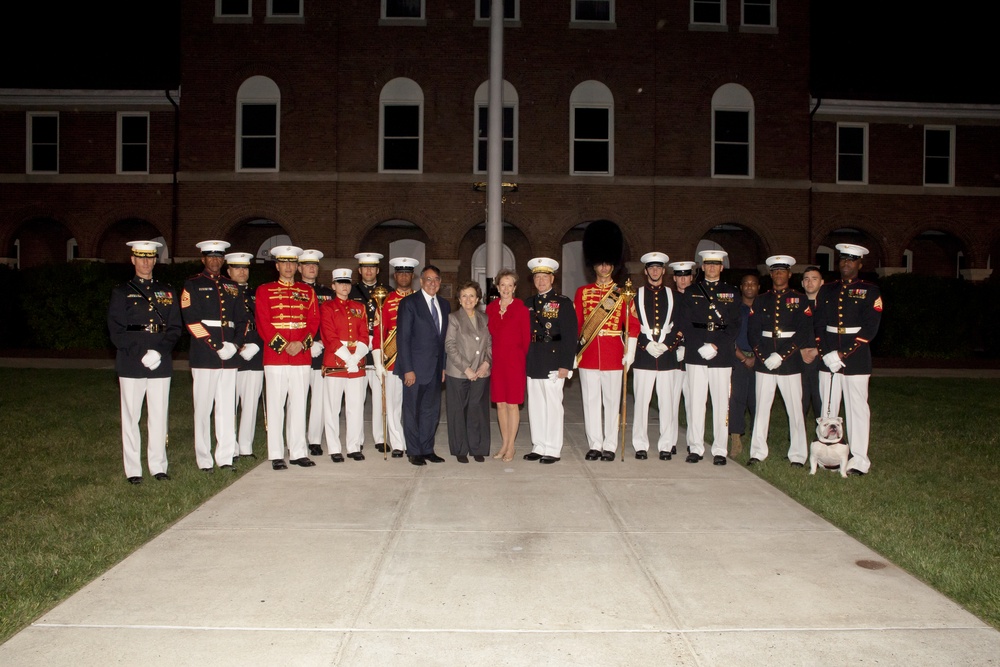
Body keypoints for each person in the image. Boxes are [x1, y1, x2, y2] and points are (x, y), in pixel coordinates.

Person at [108, 240, 183, 484]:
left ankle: (158, 466)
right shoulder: (121, 291)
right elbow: (116, 330)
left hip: (160, 362)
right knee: (131, 417)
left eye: (150, 258)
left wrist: (159, 352)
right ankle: (133, 470)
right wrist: (141, 353)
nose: (146, 262)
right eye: (141, 257)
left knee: (159, 416)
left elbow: (174, 328)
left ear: (155, 260)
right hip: (132, 361)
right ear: (133, 260)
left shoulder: (167, 291)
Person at [814, 243, 882, 475]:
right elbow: (819, 324)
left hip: (856, 359)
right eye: (843, 259)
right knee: (829, 408)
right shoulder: (828, 289)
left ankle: (859, 460)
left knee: (857, 410)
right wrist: (826, 352)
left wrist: (844, 353)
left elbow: (871, 328)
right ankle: (830, 457)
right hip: (829, 357)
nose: (846, 263)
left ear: (860, 264)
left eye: (851, 260)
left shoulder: (870, 291)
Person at [181, 240, 246, 473]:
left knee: (227, 408)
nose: (215, 261)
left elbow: (242, 320)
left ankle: (226, 456)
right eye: (211, 257)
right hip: (205, 355)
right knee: (203, 408)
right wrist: (216, 345)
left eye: (219, 257)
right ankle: (204, 459)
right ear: (203, 259)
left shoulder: (232, 286)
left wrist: (235, 345)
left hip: (229, 355)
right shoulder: (193, 284)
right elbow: (191, 320)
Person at [575, 233, 639, 463]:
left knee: (612, 402)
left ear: (614, 265)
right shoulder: (583, 292)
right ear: (594, 265)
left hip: (613, 354)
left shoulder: (623, 294)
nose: (604, 266)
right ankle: (595, 444)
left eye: (608, 262)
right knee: (590, 401)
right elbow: (578, 325)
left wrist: (629, 352)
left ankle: (610, 445)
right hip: (589, 354)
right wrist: (575, 353)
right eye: (600, 262)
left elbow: (633, 326)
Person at [256, 245, 320, 470]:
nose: (289, 267)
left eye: (292, 263)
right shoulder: (264, 290)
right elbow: (263, 323)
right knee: (275, 405)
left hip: (301, 356)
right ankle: (275, 453)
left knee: (299, 404)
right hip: (276, 356)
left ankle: (298, 452)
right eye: (284, 263)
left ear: (297, 266)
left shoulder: (307, 291)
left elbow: (314, 321)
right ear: (277, 265)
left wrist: (302, 344)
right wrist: (284, 346)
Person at [746, 255, 814, 467]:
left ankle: (798, 455)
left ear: (789, 274)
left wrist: (782, 355)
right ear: (771, 274)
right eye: (774, 271)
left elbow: (803, 332)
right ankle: (757, 452)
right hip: (765, 362)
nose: (778, 275)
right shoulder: (761, 299)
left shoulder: (800, 299)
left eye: (782, 271)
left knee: (795, 409)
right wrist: (764, 356)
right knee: (761, 408)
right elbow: (753, 331)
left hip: (790, 363)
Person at [677, 249, 741, 466]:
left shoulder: (732, 292)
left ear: (722, 267)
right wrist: (699, 345)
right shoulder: (691, 291)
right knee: (696, 402)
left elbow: (734, 325)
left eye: (716, 264)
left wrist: (716, 344)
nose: (712, 268)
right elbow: (684, 322)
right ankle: (696, 447)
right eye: (708, 264)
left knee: (722, 402)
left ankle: (720, 449)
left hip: (721, 355)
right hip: (696, 353)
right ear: (702, 267)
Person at [631, 252, 684, 461]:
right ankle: (640, 444)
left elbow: (680, 325)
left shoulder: (675, 296)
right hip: (644, 357)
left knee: (667, 403)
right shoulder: (635, 296)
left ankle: (666, 444)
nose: (655, 271)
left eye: (658, 268)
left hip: (667, 357)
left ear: (664, 271)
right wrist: (645, 345)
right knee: (641, 403)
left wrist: (667, 345)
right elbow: (631, 325)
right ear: (645, 271)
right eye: (651, 268)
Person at [523, 258, 577, 464]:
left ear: (552, 278)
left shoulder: (563, 302)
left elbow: (571, 335)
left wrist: (566, 364)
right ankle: (539, 445)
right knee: (536, 405)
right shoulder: (527, 303)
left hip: (554, 361)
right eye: (537, 277)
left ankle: (553, 448)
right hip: (534, 358)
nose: (541, 281)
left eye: (545, 277)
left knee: (553, 406)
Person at [395, 264, 450, 466]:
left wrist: (443, 366)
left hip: (435, 370)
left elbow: (442, 341)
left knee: (431, 411)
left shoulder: (444, 305)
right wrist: (407, 369)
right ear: (421, 281)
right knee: (412, 410)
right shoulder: (409, 303)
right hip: (414, 370)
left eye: (436, 279)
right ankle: (414, 450)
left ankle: (427, 448)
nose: (432, 283)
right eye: (428, 279)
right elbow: (403, 339)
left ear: (440, 282)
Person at [320, 268, 369, 462]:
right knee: (332, 408)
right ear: (333, 286)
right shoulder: (327, 307)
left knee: (355, 407)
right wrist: (347, 358)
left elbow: (364, 334)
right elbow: (329, 336)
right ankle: (333, 448)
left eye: (347, 283)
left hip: (356, 364)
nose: (344, 287)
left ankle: (353, 446)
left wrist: (356, 357)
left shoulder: (359, 307)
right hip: (336, 363)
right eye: (340, 283)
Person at [372, 257, 419, 458]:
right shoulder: (386, 300)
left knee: (413, 405)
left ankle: (412, 441)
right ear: (395, 276)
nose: (404, 276)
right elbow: (378, 332)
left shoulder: (420, 299)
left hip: (415, 361)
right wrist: (377, 361)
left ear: (413, 276)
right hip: (392, 361)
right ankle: (398, 443)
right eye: (400, 273)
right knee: (392, 405)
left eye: (407, 273)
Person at [444, 281, 492, 462]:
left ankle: (478, 447)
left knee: (477, 410)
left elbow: (489, 343)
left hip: (481, 372)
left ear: (478, 298)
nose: (468, 299)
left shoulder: (485, 318)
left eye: (472, 295)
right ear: (459, 299)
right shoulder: (453, 318)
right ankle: (460, 450)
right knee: (458, 410)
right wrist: (467, 368)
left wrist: (486, 363)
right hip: (458, 372)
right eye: (464, 295)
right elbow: (450, 345)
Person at [485, 268, 529, 462]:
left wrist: (517, 358)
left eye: (509, 285)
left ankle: (511, 447)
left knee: (513, 406)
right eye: (502, 284)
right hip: (497, 363)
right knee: (500, 405)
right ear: (497, 286)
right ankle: (504, 443)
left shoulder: (521, 308)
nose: (506, 288)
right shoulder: (491, 308)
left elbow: (526, 340)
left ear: (515, 288)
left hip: (514, 363)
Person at [225, 251, 263, 460]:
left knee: (250, 404)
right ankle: (230, 447)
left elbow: (267, 322)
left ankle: (246, 446)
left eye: (245, 268)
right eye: (237, 267)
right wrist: (236, 345)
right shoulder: (223, 294)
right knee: (229, 404)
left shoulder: (257, 295)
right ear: (228, 270)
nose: (242, 271)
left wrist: (257, 345)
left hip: (255, 355)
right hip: (232, 354)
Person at [298, 249, 335, 456]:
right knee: (298, 399)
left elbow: (330, 323)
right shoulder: (293, 290)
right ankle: (296, 438)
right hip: (300, 352)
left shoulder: (327, 293)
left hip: (321, 352)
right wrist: (307, 343)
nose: (312, 268)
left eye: (315, 265)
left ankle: (314, 439)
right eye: (307, 265)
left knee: (319, 399)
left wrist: (320, 342)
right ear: (300, 268)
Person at [349, 252, 386, 452]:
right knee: (357, 396)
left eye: (373, 268)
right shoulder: (351, 291)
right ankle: (358, 438)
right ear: (360, 270)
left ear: (378, 271)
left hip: (380, 347)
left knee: (380, 395)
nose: (369, 271)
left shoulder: (387, 291)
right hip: (359, 347)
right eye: (365, 267)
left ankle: (380, 438)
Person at [666, 260, 696, 456]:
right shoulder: (669, 297)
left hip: (694, 356)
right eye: (680, 276)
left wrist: (689, 346)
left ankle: (693, 442)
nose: (683, 279)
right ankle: (670, 441)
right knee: (671, 400)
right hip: (674, 357)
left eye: (687, 276)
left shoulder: (699, 297)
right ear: (674, 278)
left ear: (691, 277)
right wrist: (676, 346)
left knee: (693, 401)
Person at [728, 273, 759, 458]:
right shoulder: (734, 309)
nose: (749, 287)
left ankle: (759, 439)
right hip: (737, 358)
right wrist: (742, 357)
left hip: (760, 360)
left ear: (758, 287)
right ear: (741, 287)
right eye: (746, 283)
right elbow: (728, 336)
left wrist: (756, 357)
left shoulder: (764, 307)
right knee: (736, 400)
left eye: (753, 284)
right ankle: (735, 439)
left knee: (758, 401)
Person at [800, 266, 824, 421]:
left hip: (822, 359)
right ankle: (797, 440)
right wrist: (801, 349)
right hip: (800, 358)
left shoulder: (828, 305)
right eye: (806, 279)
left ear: (821, 282)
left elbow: (831, 333)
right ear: (802, 283)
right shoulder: (796, 304)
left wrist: (817, 350)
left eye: (814, 279)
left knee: (820, 399)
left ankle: (823, 437)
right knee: (799, 401)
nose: (810, 282)